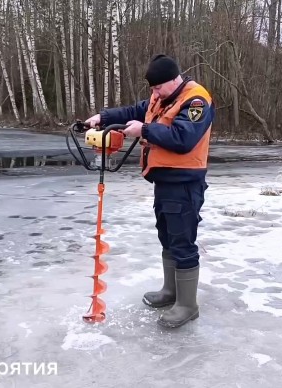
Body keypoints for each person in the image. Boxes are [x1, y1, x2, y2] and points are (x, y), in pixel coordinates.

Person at [84, 54, 214, 328]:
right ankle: (171, 292)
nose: (153, 93)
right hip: (165, 181)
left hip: (184, 183)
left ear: (174, 80)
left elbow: (183, 139)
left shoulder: (196, 101)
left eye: (157, 88)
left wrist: (144, 129)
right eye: (152, 89)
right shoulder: (162, 98)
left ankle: (188, 305)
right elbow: (135, 110)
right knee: (167, 236)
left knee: (182, 240)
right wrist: (103, 117)